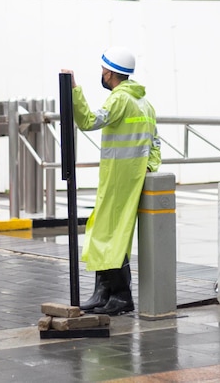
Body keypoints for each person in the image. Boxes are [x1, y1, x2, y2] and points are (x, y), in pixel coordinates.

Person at [62, 46, 161, 316]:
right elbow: (155, 141)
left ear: (108, 73)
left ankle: (119, 296)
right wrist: (148, 167)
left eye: (102, 70)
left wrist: (74, 90)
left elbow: (89, 121)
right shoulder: (144, 102)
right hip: (129, 177)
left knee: (109, 235)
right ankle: (105, 294)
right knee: (109, 233)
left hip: (118, 178)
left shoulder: (120, 99)